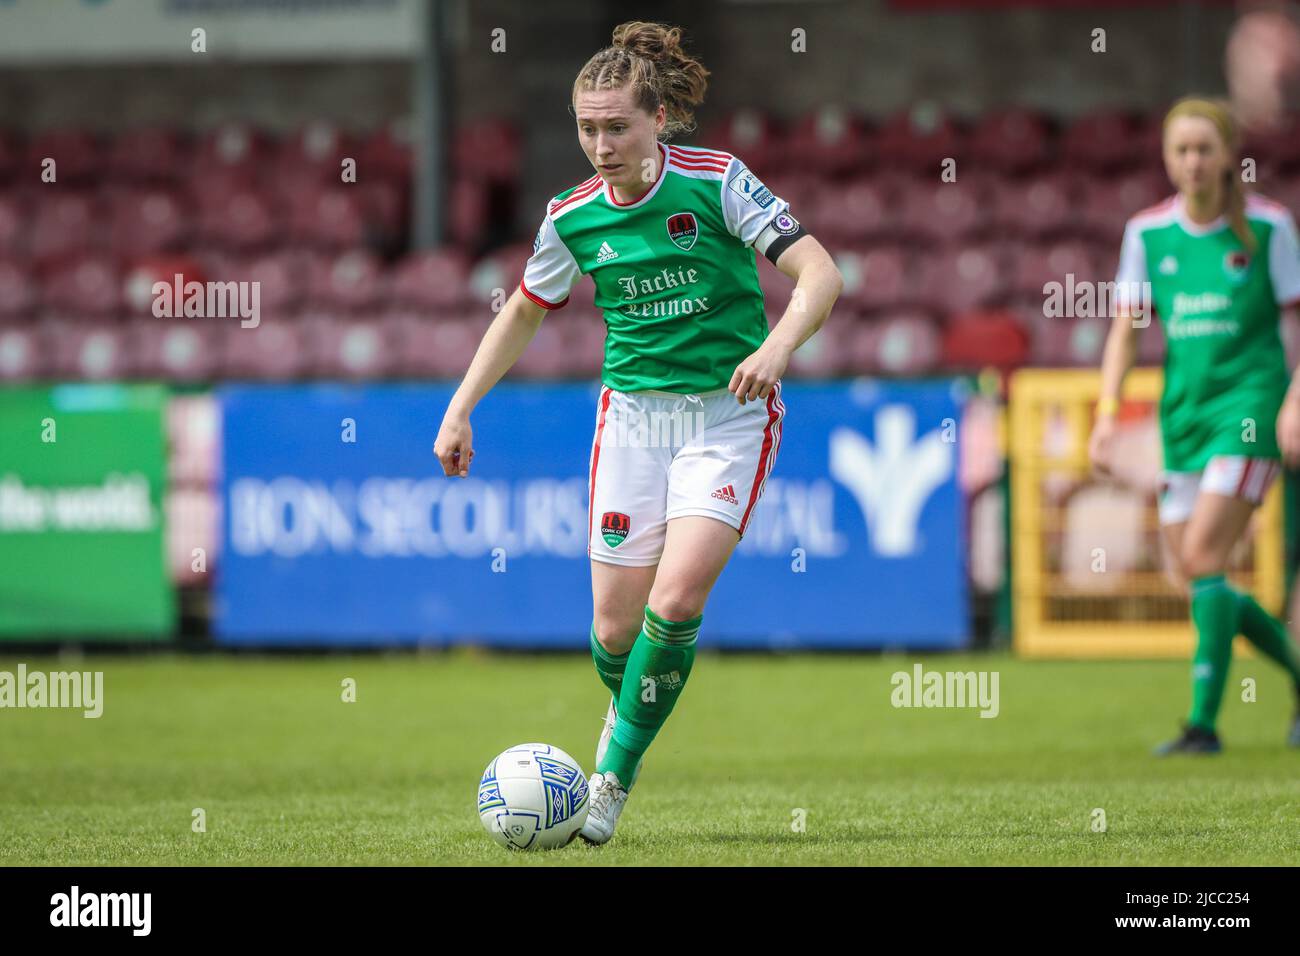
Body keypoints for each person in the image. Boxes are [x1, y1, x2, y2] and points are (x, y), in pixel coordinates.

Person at [433, 21, 842, 838]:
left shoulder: (717, 181)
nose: (601, 144)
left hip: (727, 417)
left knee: (677, 597)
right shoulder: (572, 216)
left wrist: (776, 347)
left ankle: (610, 778)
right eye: (587, 128)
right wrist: (460, 405)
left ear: (658, 118)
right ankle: (629, 722)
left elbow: (820, 272)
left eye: (617, 125)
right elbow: (523, 312)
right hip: (631, 423)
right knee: (616, 633)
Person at [1090, 96, 1300, 754]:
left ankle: (1202, 726)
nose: (1193, 161)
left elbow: (1296, 319)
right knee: (1198, 574)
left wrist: (1294, 400)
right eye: (1181, 150)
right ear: (1166, 158)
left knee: (1205, 555)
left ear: (1229, 155)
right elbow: (1126, 329)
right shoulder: (1147, 233)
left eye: (1205, 148)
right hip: (1183, 411)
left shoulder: (1269, 227)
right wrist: (1106, 412)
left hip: (1251, 407)